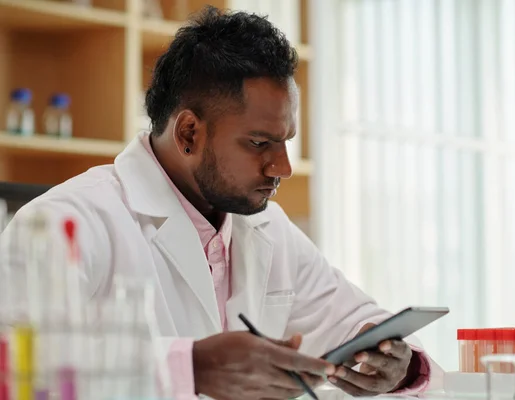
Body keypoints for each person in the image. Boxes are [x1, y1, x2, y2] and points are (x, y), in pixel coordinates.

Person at [1, 6, 443, 400]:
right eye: (259, 143)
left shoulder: (266, 227)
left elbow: (355, 320)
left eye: (285, 142)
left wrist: (398, 366)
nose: (282, 167)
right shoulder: (65, 221)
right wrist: (189, 366)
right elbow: (19, 369)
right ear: (189, 132)